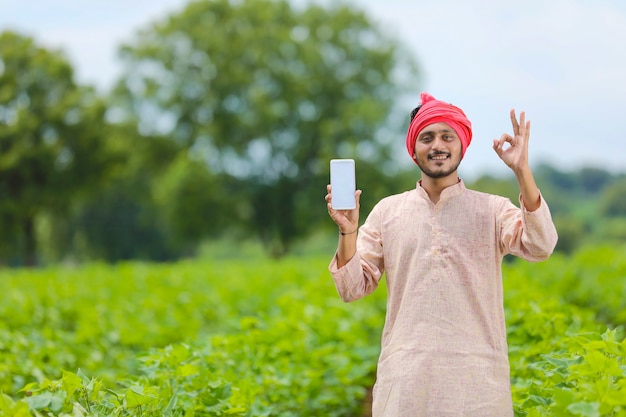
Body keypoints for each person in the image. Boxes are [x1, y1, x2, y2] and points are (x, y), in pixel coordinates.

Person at [324, 92, 558, 416]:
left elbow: (540, 245)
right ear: (413, 149)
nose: (438, 145)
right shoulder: (388, 212)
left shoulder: (491, 210)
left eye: (447, 136)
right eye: (427, 137)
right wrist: (347, 230)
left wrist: (522, 172)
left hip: (477, 386)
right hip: (405, 384)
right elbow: (351, 288)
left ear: (462, 144)